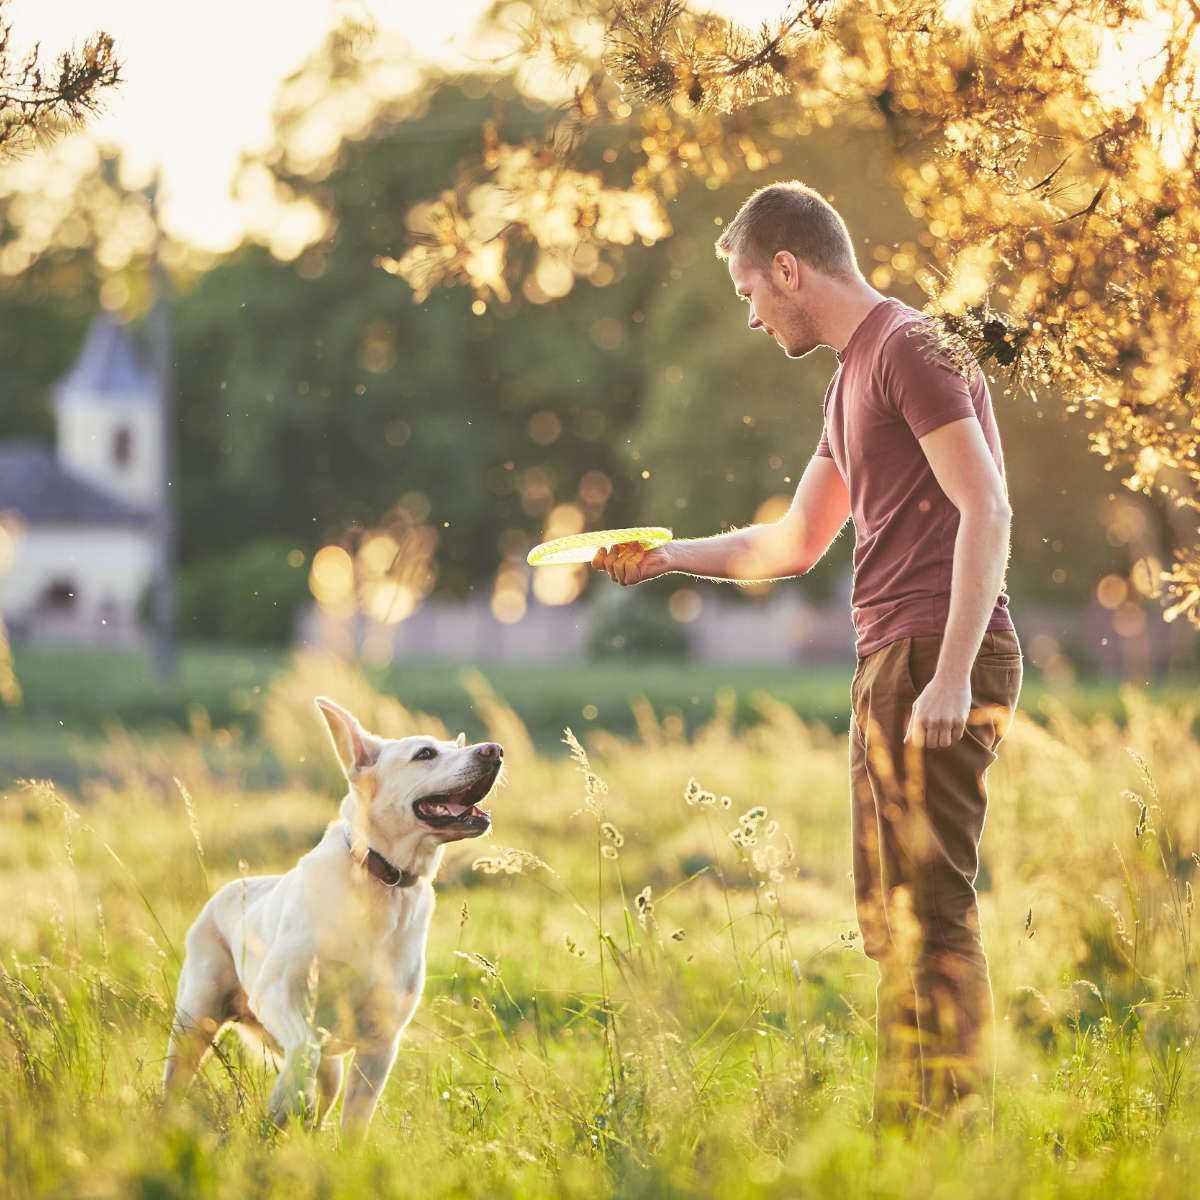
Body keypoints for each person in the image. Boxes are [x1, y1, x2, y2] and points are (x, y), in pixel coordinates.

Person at [591, 181, 1022, 1126]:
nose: (748, 315)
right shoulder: (849, 381)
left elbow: (986, 506)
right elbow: (789, 544)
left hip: (935, 651)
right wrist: (666, 555)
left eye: (749, 290)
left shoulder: (909, 347)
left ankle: (950, 1135)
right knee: (888, 916)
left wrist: (951, 673)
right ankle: (904, 1129)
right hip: (890, 660)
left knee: (933, 907)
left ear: (789, 267)